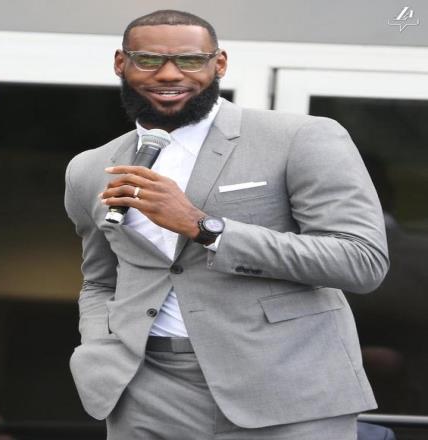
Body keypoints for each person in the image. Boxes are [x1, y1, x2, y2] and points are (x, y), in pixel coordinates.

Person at [64, 10, 389, 440]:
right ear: (121, 63)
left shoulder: (300, 137)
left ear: (219, 64)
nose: (169, 74)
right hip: (146, 392)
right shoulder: (89, 168)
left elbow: (360, 261)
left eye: (190, 60)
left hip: (287, 388)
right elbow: (100, 281)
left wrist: (204, 226)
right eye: (148, 60)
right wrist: (99, 344)